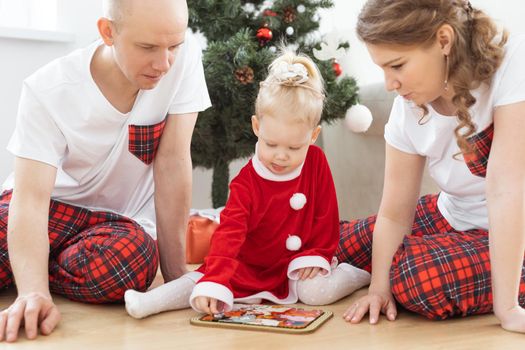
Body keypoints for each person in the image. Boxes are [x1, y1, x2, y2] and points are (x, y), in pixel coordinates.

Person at [0, 0, 211, 342]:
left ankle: (28, 264)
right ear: (108, 32)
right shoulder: (48, 89)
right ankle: (29, 267)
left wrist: (177, 278)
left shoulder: (183, 62)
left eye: (174, 45)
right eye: (147, 47)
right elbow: (31, 201)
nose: (164, 63)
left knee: (138, 258)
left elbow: (172, 162)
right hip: (47, 209)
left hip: (112, 226)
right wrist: (33, 292)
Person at [124, 50, 371, 319]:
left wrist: (317, 255)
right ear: (256, 126)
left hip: (295, 265)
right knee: (203, 283)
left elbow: (326, 215)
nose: (280, 155)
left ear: (313, 136)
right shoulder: (246, 182)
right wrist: (217, 278)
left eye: (293, 147)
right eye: (271, 143)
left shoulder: (316, 162)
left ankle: (359, 274)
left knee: (316, 294)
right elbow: (229, 233)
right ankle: (149, 301)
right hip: (249, 265)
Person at [336, 0, 525, 333]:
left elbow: (506, 189)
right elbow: (394, 214)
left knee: (416, 277)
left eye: (397, 65)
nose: (390, 83)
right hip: (453, 214)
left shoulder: (512, 64)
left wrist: (507, 308)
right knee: (338, 242)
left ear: (443, 40)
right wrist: (379, 289)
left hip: (513, 228)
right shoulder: (408, 106)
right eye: (382, 69)